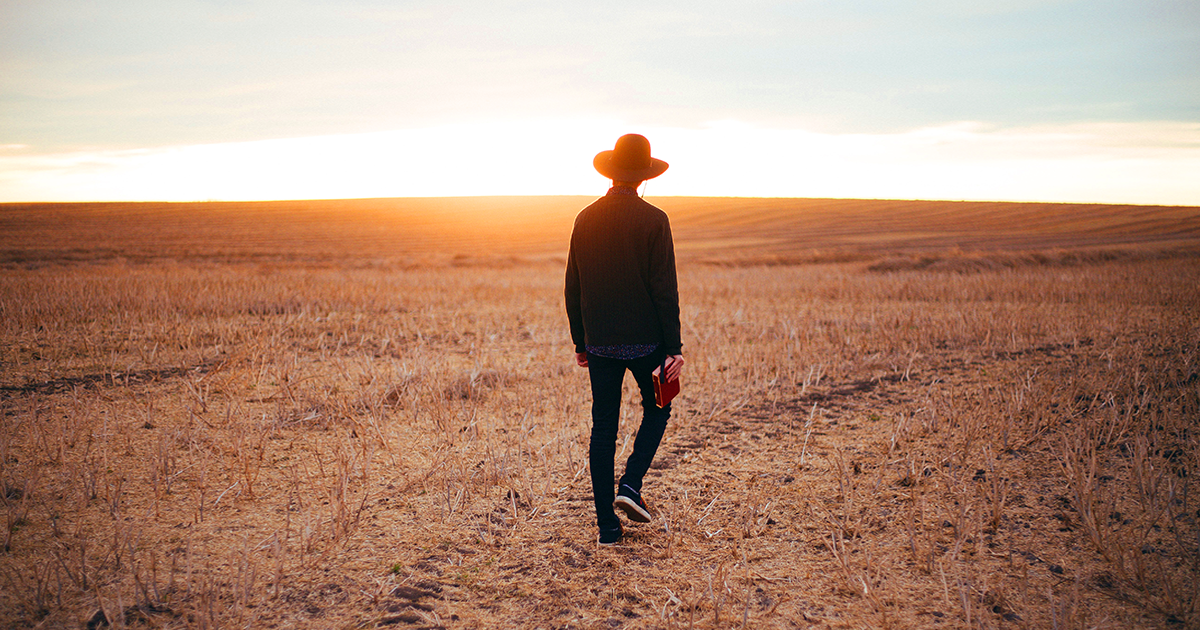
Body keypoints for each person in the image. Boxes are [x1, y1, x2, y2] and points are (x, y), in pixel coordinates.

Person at [564, 133, 684, 546]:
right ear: (644, 176)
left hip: (599, 343)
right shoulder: (655, 220)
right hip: (648, 342)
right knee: (659, 410)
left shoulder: (584, 218)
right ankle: (630, 485)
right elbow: (664, 290)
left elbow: (572, 287)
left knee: (603, 428)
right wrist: (674, 349)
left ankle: (607, 529)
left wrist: (581, 341)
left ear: (611, 173)